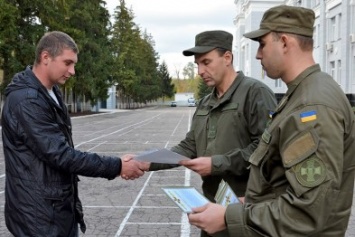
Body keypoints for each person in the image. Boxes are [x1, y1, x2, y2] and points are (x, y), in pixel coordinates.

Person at [187, 5, 355, 237]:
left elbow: (309, 210)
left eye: (262, 44)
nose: (258, 54)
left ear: (285, 42)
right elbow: (285, 183)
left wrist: (230, 216)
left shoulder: (312, 107)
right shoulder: (302, 94)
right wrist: (250, 203)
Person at [1, 31, 146, 237]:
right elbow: (60, 154)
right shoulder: (27, 101)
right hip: (38, 216)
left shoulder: (50, 92)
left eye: (74, 64)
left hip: (55, 208)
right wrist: (118, 166)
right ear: (45, 57)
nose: (72, 71)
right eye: (67, 63)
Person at [145, 30, 277, 237]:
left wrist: (216, 164)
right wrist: (148, 162)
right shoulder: (206, 102)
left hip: (245, 214)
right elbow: (190, 146)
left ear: (227, 58)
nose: (200, 70)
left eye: (206, 62)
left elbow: (266, 149)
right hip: (212, 211)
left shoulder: (255, 93)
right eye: (197, 64)